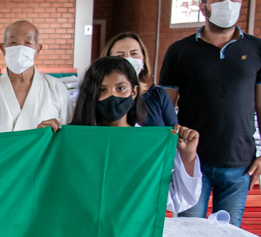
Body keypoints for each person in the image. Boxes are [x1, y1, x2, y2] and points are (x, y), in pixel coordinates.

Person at [160, 0, 261, 226]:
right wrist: (169, 151)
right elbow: (165, 106)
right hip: (193, 161)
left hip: (239, 161)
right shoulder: (180, 51)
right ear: (204, 8)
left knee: (229, 236)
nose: (228, 3)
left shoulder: (259, 49)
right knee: (190, 232)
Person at [69, 56, 201, 214]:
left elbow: (179, 200)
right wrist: (43, 143)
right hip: (84, 230)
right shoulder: (74, 142)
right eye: (102, 90)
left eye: (120, 88)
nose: (112, 96)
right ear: (92, 94)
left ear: (134, 91)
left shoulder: (149, 145)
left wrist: (187, 156)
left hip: (131, 234)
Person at [0, 20, 74, 134]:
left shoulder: (56, 87)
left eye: (28, 42)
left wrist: (44, 135)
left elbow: (67, 134)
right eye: (13, 42)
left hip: (43, 152)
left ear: (38, 50)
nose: (20, 48)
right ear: (3, 48)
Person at [102, 32, 177, 127]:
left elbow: (174, 134)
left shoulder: (158, 96)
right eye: (120, 55)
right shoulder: (101, 97)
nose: (128, 59)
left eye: (134, 54)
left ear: (143, 61)